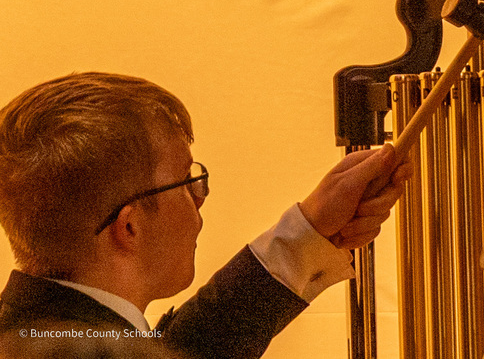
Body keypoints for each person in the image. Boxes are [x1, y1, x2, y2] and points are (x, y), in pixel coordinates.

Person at [0, 72, 409, 358]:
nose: (200, 197)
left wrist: (311, 231)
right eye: (186, 180)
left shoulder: (32, 332)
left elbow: (181, 349)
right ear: (129, 226)